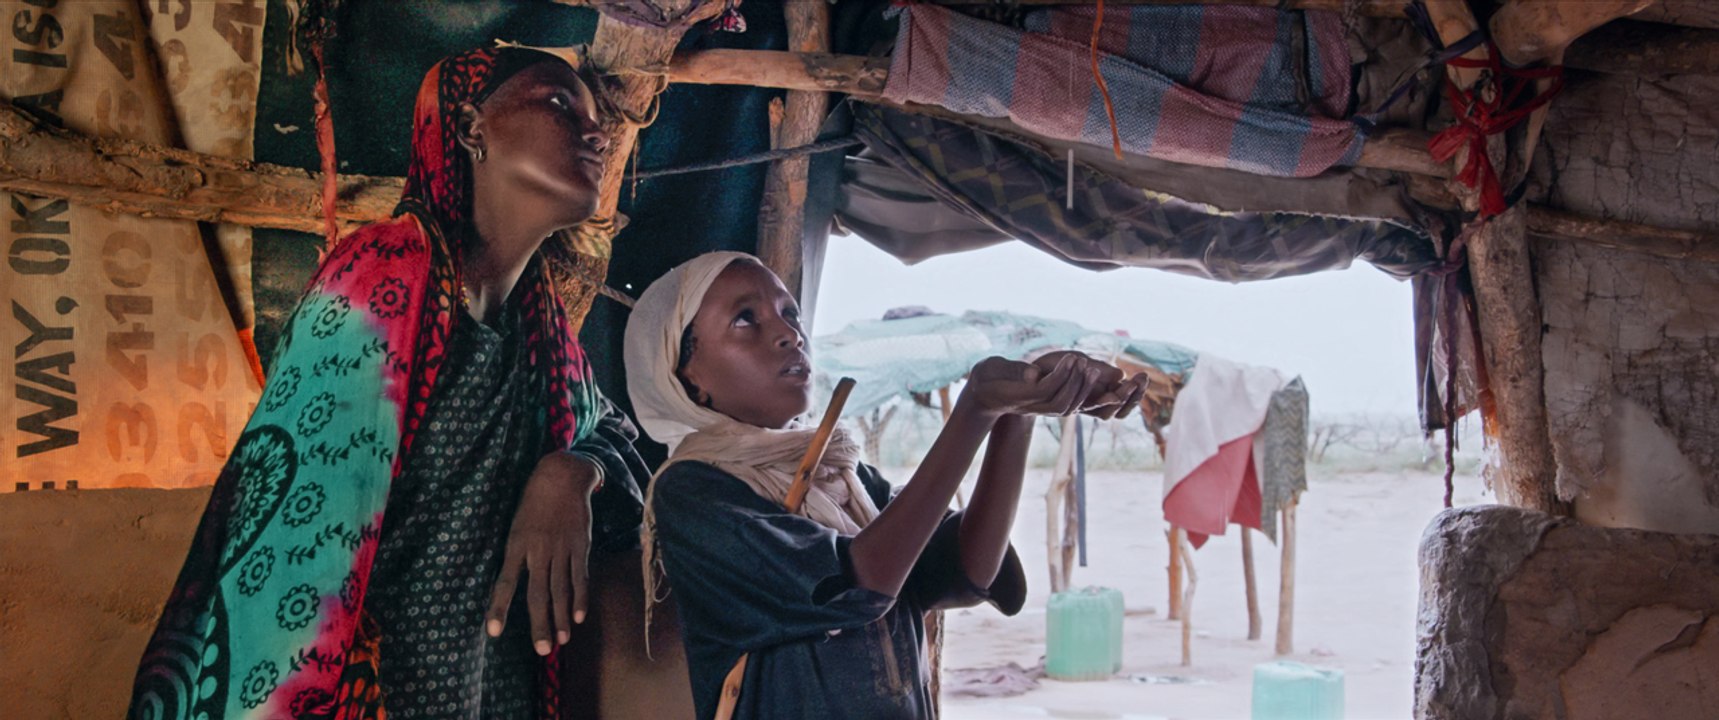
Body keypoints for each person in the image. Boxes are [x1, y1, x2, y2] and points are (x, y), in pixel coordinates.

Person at [128, 46, 647, 719]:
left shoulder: (542, 333)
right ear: (470, 128)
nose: (595, 130)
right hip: (358, 694)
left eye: (591, 114)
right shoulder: (382, 272)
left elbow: (611, 436)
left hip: (489, 691)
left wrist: (571, 471)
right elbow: (292, 542)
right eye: (556, 101)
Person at [624, 252, 1148, 719]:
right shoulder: (695, 493)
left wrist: (1016, 414)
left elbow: (969, 569)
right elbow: (861, 584)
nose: (788, 334)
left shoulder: (844, 476)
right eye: (746, 320)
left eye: (790, 314)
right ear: (687, 375)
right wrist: (974, 409)